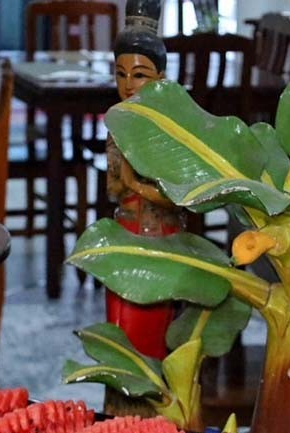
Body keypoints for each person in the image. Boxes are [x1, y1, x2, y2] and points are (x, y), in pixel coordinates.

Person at [105, 0, 183, 360]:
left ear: (160, 78)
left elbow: (179, 197)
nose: (127, 85)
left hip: (160, 238)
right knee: (120, 327)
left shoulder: (170, 128)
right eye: (120, 74)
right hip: (125, 232)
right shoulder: (116, 123)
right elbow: (112, 190)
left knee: (151, 334)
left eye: (139, 75)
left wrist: (135, 184)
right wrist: (124, 182)